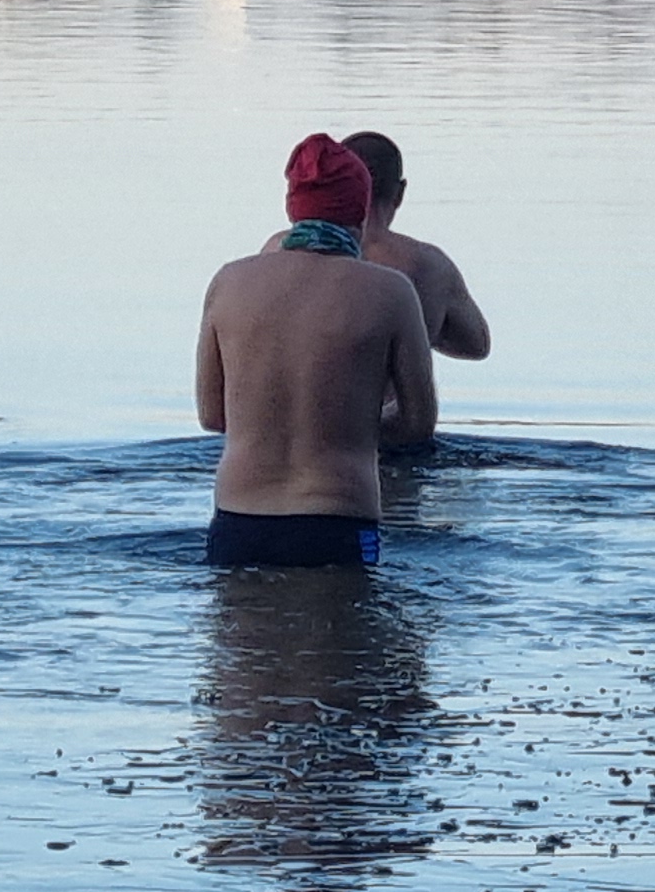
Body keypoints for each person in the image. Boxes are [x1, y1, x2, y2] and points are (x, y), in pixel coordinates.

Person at [194, 133, 436, 567]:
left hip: (237, 520)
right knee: (348, 634)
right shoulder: (391, 292)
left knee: (243, 633)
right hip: (338, 520)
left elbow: (213, 416)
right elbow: (418, 423)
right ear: (360, 208)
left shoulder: (228, 283)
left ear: (293, 207)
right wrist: (344, 430)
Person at [255, 130, 490, 375]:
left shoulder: (277, 250)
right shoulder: (429, 266)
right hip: (387, 410)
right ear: (399, 193)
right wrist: (418, 328)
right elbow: (476, 345)